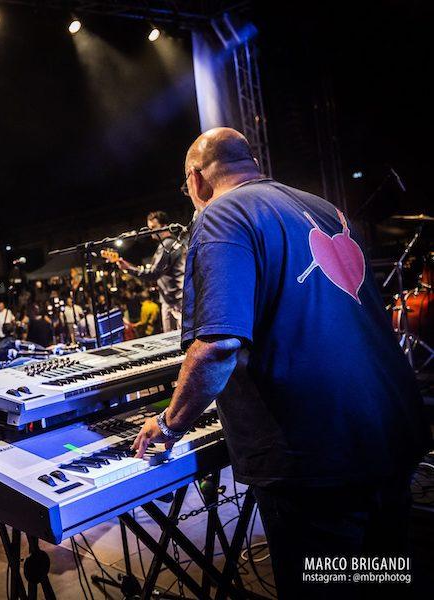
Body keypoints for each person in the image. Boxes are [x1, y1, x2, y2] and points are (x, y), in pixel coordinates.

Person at [131, 127, 429, 599]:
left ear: (196, 179)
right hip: (388, 431)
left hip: (318, 454)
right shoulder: (322, 207)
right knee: (380, 576)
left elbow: (218, 345)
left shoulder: (221, 215)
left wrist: (170, 425)